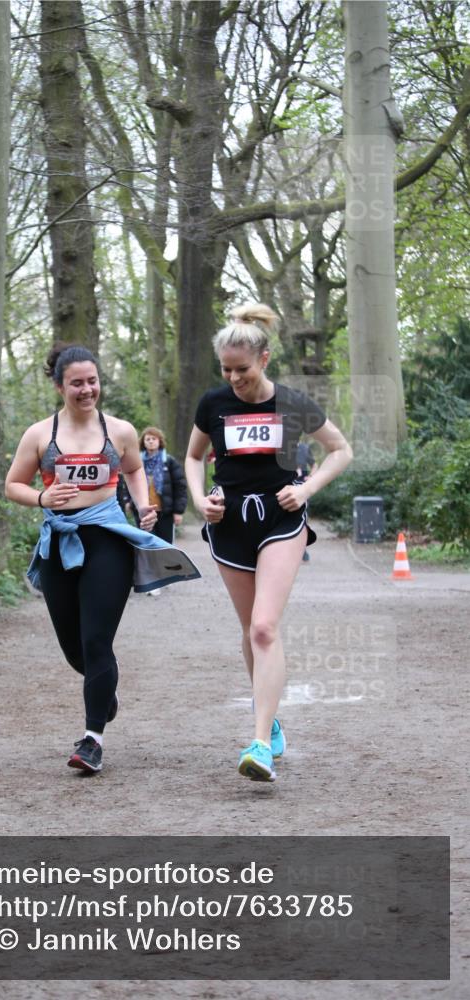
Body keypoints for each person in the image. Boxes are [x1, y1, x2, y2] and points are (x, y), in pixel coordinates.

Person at [5, 343, 200, 775]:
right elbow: (12, 485)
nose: (87, 389)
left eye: (92, 381)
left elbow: (132, 468)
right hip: (60, 541)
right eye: (76, 383)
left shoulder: (120, 430)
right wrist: (42, 496)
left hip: (107, 539)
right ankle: (104, 692)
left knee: (96, 641)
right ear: (59, 385)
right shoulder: (40, 435)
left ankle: (92, 739)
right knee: (74, 649)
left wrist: (143, 503)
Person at [185, 303, 352, 783]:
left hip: (281, 519)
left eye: (242, 369)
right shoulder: (213, 404)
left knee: (263, 628)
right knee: (249, 631)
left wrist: (305, 489)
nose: (234, 379)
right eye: (226, 370)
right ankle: (271, 721)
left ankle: (259, 743)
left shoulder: (294, 403)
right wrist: (200, 499)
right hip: (231, 523)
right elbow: (193, 458)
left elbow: (340, 450)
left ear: (264, 359)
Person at [123, 427, 187, 543]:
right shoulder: (137, 462)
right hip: (143, 512)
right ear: (143, 442)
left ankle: (165, 562)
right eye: (148, 439)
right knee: (145, 544)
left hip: (164, 512)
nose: (151, 441)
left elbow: (180, 487)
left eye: (154, 439)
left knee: (165, 544)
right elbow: (129, 480)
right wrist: (128, 500)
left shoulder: (169, 461)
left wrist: (178, 512)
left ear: (159, 441)